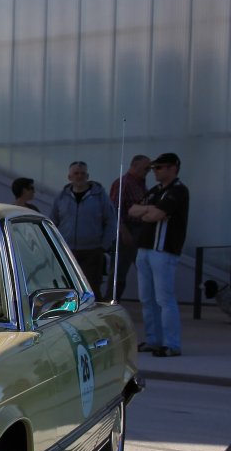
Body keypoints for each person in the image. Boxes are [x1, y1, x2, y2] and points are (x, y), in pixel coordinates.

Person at [129, 153, 190, 358]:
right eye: (153, 168)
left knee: (164, 298)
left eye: (159, 167)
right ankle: (153, 339)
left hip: (163, 251)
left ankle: (171, 344)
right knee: (146, 298)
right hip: (145, 249)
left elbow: (157, 215)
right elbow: (132, 210)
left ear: (173, 168)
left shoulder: (178, 190)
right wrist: (148, 209)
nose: (154, 171)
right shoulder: (155, 191)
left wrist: (149, 213)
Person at [52, 160, 115, 290]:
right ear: (69, 177)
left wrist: (103, 246)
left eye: (82, 173)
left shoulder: (100, 196)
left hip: (92, 252)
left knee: (91, 288)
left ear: (87, 176)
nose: (79, 176)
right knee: (67, 287)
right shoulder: (61, 197)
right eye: (76, 173)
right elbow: (53, 221)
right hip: (67, 251)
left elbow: (111, 221)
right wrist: (55, 245)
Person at [110, 154, 152, 299]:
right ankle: (112, 301)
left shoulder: (141, 184)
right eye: (146, 167)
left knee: (144, 268)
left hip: (140, 230)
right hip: (127, 229)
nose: (148, 170)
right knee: (119, 271)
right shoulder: (124, 183)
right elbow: (115, 209)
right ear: (134, 166)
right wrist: (123, 231)